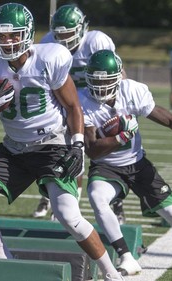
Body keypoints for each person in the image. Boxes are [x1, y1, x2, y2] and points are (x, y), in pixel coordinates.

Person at [0, 4, 124, 281]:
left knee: (68, 216)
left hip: (53, 145)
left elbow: (72, 107)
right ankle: (0, 254)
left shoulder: (50, 57)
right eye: (2, 35)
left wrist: (78, 144)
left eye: (14, 35)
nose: (8, 41)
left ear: (29, 34)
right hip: (14, 147)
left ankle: (111, 273)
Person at [79, 49, 172, 276]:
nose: (100, 87)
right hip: (107, 166)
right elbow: (93, 150)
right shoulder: (83, 100)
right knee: (96, 197)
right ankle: (126, 256)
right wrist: (121, 137)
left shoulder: (131, 91)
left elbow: (170, 119)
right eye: (95, 80)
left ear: (118, 78)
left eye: (105, 81)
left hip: (137, 163)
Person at [33, 4, 126, 224]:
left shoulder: (96, 41)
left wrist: (118, 105)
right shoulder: (47, 42)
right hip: (64, 104)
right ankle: (52, 198)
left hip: (95, 104)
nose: (64, 40)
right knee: (53, 150)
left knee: (107, 153)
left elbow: (116, 72)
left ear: (82, 28)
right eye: (60, 35)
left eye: (68, 34)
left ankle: (116, 203)